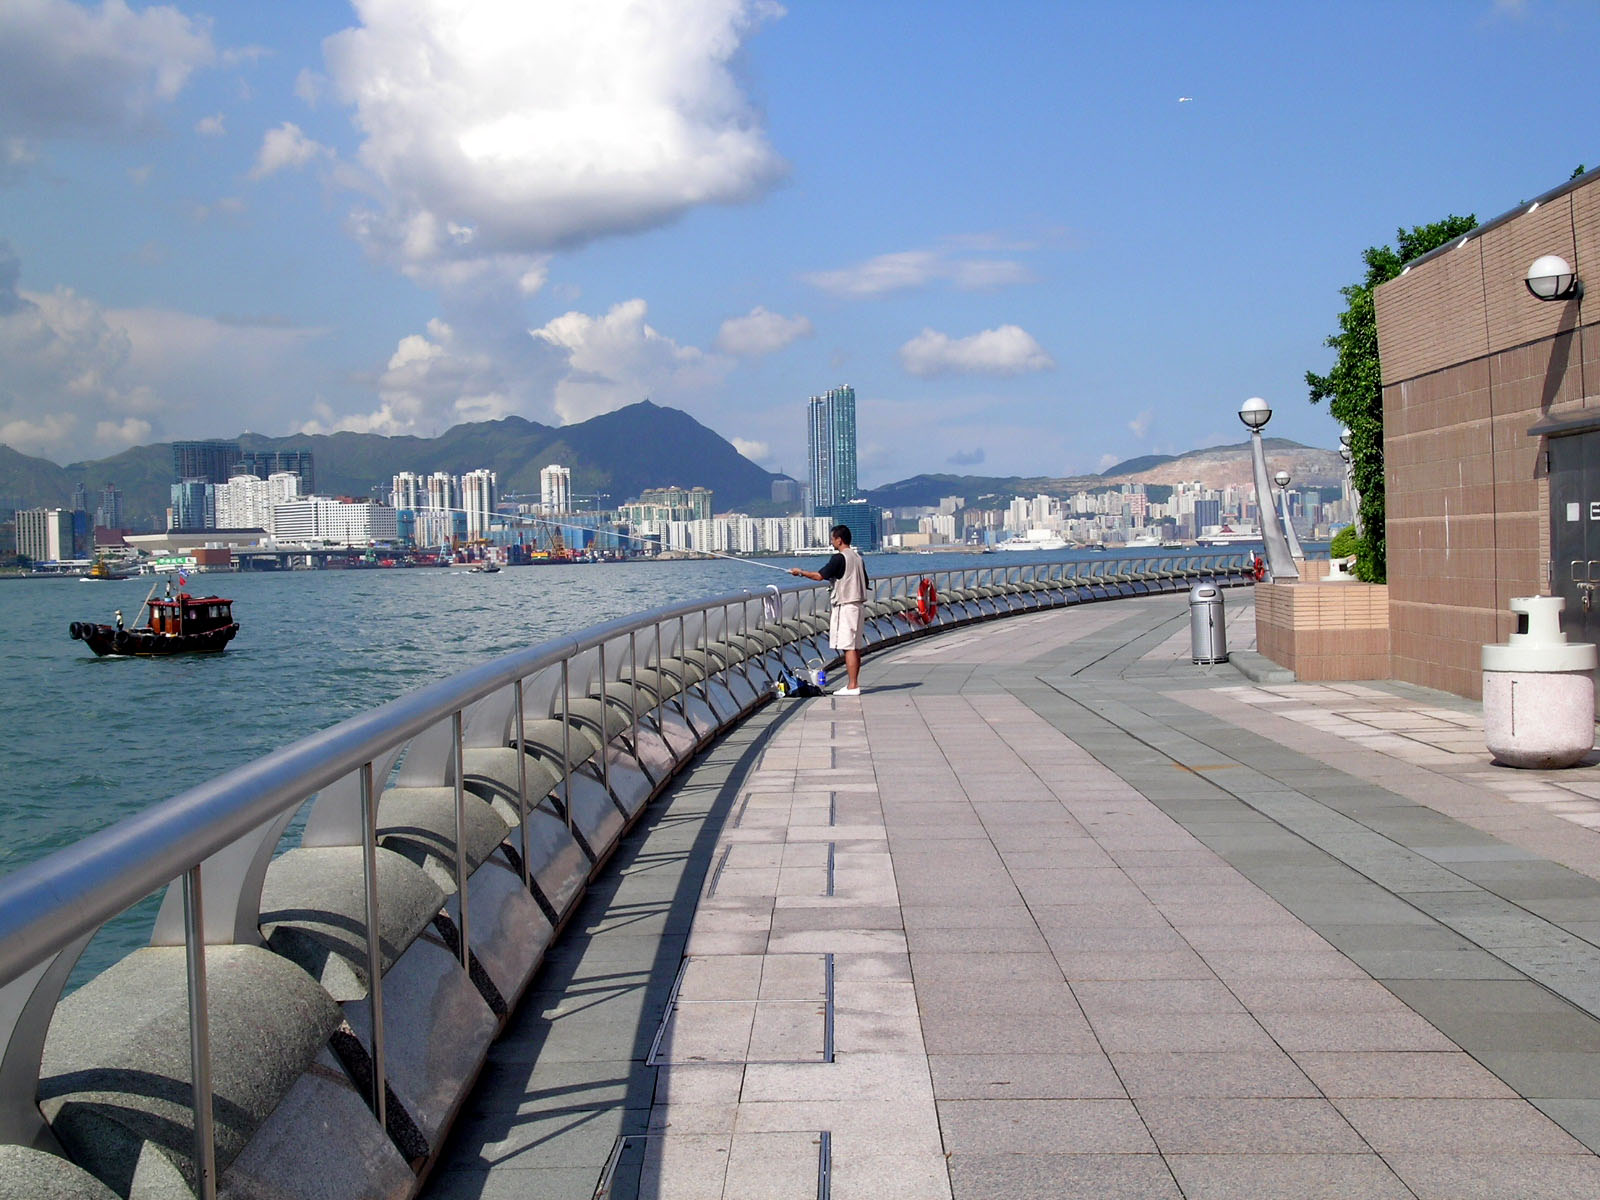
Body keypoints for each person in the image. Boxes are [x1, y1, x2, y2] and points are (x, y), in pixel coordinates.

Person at [790, 524, 868, 695]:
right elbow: (864, 582)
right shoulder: (857, 557)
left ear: (839, 540)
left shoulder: (839, 558)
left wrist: (800, 572)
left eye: (833, 539)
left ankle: (852, 686)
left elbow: (819, 576)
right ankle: (853, 683)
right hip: (859, 605)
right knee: (855, 647)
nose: (832, 542)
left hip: (846, 606)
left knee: (848, 647)